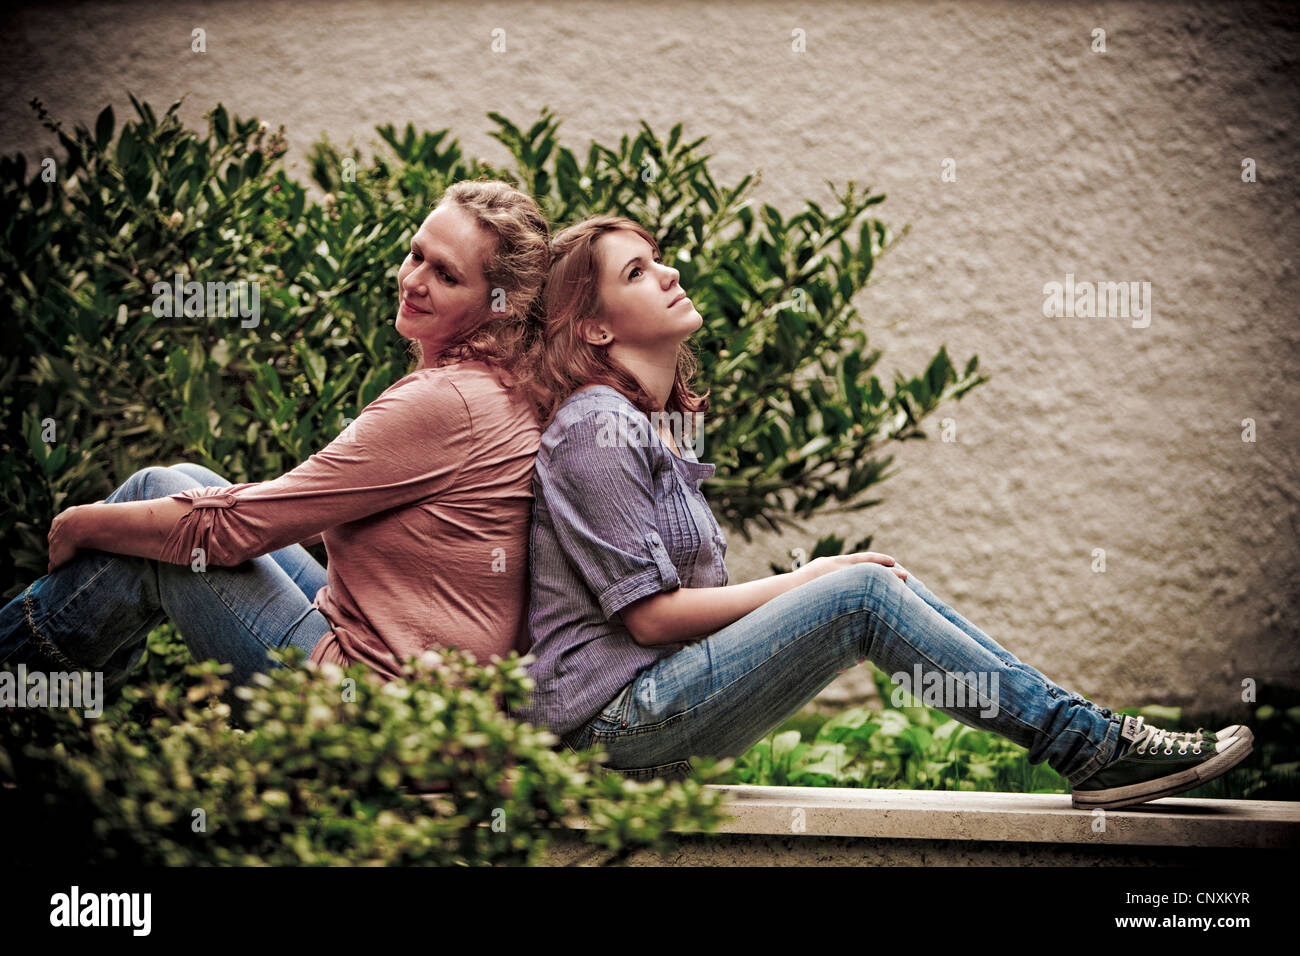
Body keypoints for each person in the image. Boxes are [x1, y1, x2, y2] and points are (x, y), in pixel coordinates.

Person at [513, 214, 1253, 810]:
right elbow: (648, 618)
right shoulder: (594, 426)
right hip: (606, 729)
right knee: (857, 592)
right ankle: (1090, 747)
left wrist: (829, 583)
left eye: (656, 256)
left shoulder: (645, 427)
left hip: (646, 722)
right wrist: (820, 580)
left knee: (874, 585)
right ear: (594, 328)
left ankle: (1091, 738)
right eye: (636, 272)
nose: (668, 271)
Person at [0, 179, 551, 705]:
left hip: (378, 703)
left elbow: (231, 532)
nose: (413, 280)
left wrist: (78, 522)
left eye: (447, 276)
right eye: (416, 254)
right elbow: (304, 511)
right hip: (424, 681)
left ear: (500, 304)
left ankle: (26, 690)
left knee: (159, 533)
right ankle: (60, 695)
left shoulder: (447, 402)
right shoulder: (498, 382)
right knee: (174, 487)